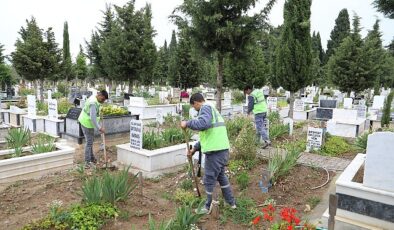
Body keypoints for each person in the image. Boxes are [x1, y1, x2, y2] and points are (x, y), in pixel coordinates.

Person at [180, 93, 236, 214]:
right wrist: (194, 148)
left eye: (193, 106)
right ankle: (231, 203)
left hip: (215, 152)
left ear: (196, 102)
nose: (195, 109)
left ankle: (207, 207)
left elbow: (202, 124)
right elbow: (208, 134)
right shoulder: (213, 110)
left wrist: (187, 123)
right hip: (222, 149)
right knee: (221, 176)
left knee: (209, 179)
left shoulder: (205, 108)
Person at [78, 90, 108, 167]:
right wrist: (100, 128)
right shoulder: (93, 103)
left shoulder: (95, 98)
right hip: (87, 123)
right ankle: (87, 162)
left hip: (87, 122)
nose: (103, 102)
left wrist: (100, 111)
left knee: (90, 141)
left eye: (104, 100)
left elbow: (95, 112)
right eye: (103, 99)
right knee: (89, 142)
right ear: (100, 95)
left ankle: (91, 158)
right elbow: (93, 118)